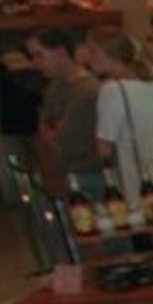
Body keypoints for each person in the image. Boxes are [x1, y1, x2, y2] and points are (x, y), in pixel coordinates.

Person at [82, 25, 153, 207]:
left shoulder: (113, 90)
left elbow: (104, 148)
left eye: (93, 51)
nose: (88, 57)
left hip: (137, 186)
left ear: (110, 55)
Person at [26, 27, 103, 194]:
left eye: (39, 55)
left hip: (88, 175)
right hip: (63, 174)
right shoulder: (54, 87)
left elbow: (66, 142)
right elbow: (43, 131)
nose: (35, 63)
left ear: (60, 52)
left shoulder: (87, 91)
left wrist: (53, 132)